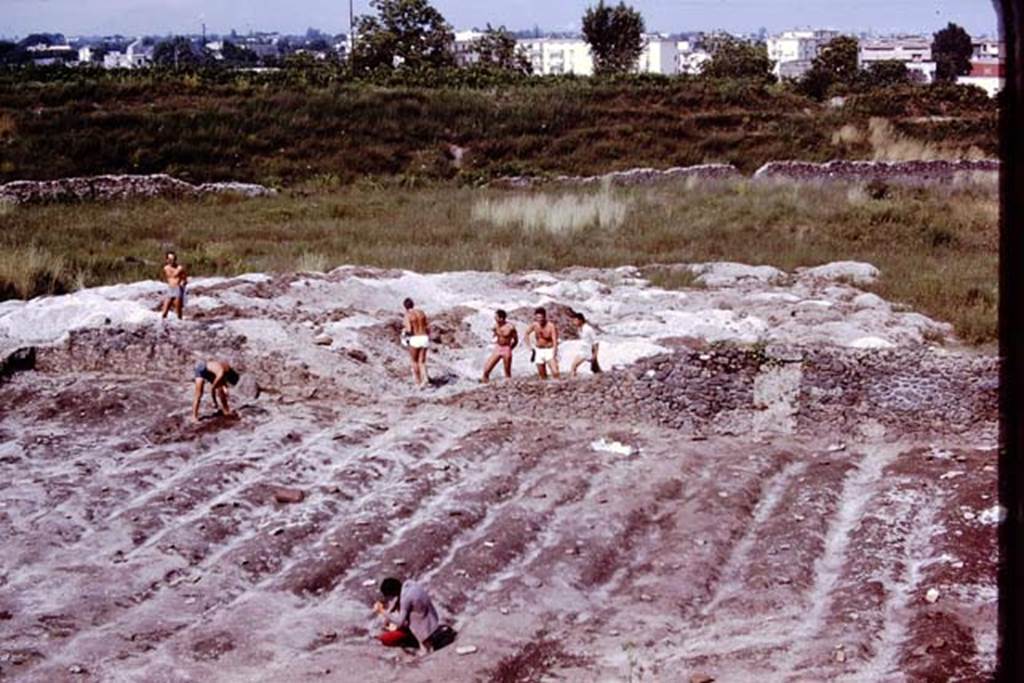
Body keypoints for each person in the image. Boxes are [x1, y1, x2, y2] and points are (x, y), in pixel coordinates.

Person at [373, 577, 441, 652]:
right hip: (433, 620)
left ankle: (424, 646)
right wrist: (390, 611)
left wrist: (382, 611)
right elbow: (402, 600)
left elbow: (400, 623)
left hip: (424, 629)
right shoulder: (410, 584)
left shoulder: (406, 598)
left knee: (386, 638)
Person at [481, 309, 518, 383]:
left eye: (496, 317)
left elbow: (516, 340)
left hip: (507, 348)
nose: (494, 318)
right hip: (498, 347)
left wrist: (510, 349)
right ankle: (484, 384)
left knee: (507, 373)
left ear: (501, 318)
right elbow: (494, 335)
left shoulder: (511, 327)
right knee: (486, 369)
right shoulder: (495, 326)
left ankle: (508, 386)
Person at [401, 298, 430, 388]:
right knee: (422, 361)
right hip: (424, 337)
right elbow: (426, 325)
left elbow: (409, 330)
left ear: (405, 307)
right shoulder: (421, 312)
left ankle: (418, 382)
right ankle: (426, 380)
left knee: (414, 361)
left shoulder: (408, 315)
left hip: (415, 338)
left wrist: (403, 333)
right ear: (413, 304)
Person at [525, 306, 559, 379]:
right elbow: (526, 333)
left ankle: (560, 387)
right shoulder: (535, 325)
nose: (539, 319)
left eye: (541, 317)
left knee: (555, 372)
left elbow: (555, 339)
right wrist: (529, 346)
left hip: (549, 350)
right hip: (539, 351)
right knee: (542, 375)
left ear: (544, 317)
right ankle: (546, 389)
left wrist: (555, 351)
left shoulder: (550, 326)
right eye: (537, 318)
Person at [570, 311, 602, 376]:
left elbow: (596, 342)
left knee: (573, 366)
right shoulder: (579, 329)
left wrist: (595, 355)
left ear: (580, 320)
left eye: (575, 320)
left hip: (588, 351)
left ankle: (572, 381)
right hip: (583, 350)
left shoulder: (588, 329)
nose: (574, 322)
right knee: (595, 369)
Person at [160, 251, 188, 320]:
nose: (171, 261)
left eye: (173, 259)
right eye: (169, 259)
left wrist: (182, 283)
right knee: (164, 312)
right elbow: (165, 278)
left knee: (178, 312)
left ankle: (180, 325)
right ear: (166, 260)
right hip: (170, 289)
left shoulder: (180, 268)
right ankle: (163, 327)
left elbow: (185, 279)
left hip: (177, 289)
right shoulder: (165, 268)